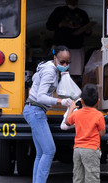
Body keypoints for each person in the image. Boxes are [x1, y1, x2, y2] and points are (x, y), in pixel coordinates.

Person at [23, 45, 72, 183]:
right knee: (49, 150)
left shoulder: (47, 66)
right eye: (62, 61)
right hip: (36, 110)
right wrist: (61, 101)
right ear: (54, 58)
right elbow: (41, 97)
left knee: (41, 153)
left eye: (68, 62)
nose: (65, 65)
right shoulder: (50, 71)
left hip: (32, 110)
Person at [46, 0, 96, 87]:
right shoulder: (59, 11)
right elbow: (49, 26)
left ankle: (73, 93)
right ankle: (56, 94)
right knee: (55, 72)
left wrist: (87, 30)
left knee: (75, 74)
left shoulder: (82, 13)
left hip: (77, 47)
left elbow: (87, 33)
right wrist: (60, 24)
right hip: (60, 46)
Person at [65, 84, 106, 183]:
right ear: (98, 101)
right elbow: (102, 133)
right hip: (91, 150)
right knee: (92, 178)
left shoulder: (76, 113)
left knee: (78, 177)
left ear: (81, 101)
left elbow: (67, 122)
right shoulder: (99, 115)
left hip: (78, 149)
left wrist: (71, 108)